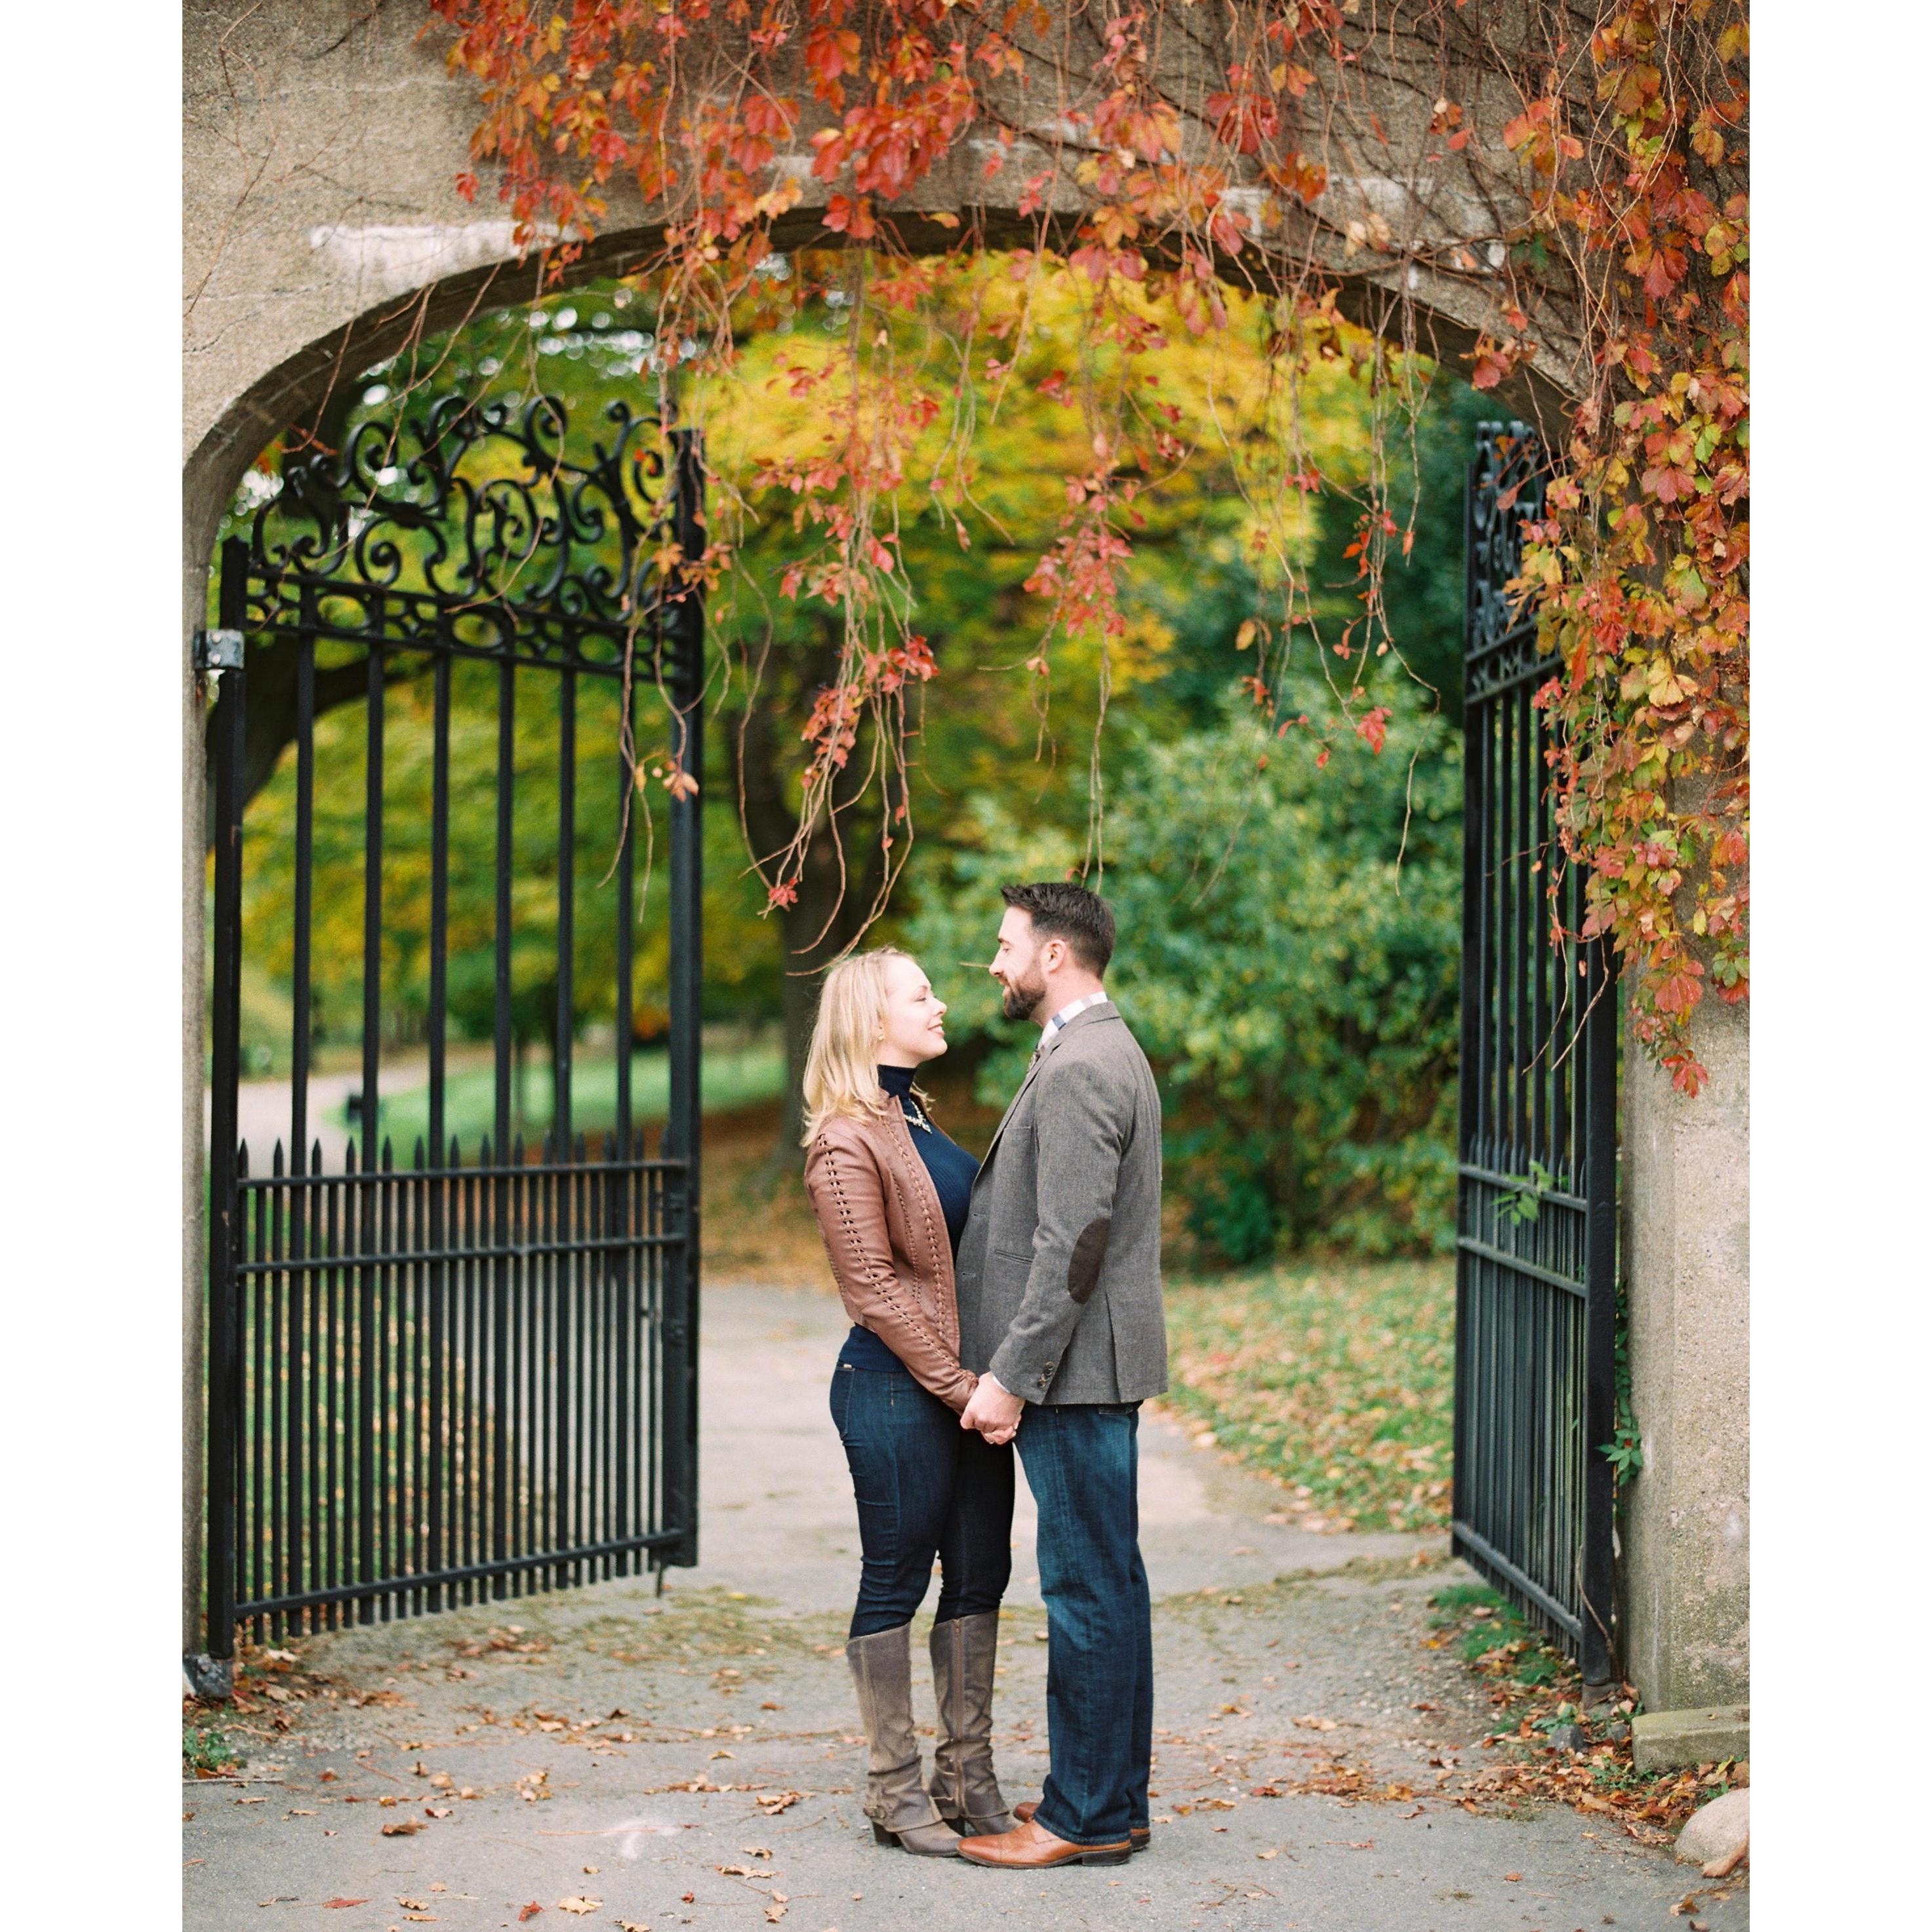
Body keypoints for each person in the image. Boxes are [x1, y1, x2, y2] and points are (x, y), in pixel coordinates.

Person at [951, 882, 1166, 1871]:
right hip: (1087, 1368)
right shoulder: (1092, 1047)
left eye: (1004, 946)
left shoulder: (1082, 1063)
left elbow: (1073, 1243)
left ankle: (1077, 1817)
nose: (993, 963)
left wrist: (1010, 1374)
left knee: (1085, 1590)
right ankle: (1112, 1803)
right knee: (1108, 1586)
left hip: (1072, 1371)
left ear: (1052, 956)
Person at [801, 948, 1018, 1858]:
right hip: (895, 1390)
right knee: (896, 1575)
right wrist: (968, 1388)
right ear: (869, 1019)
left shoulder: (913, 1115)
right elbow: (874, 1290)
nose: (940, 1003)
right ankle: (892, 1789)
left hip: (967, 1394)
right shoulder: (842, 1137)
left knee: (979, 1575)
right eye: (919, 993)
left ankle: (966, 1774)